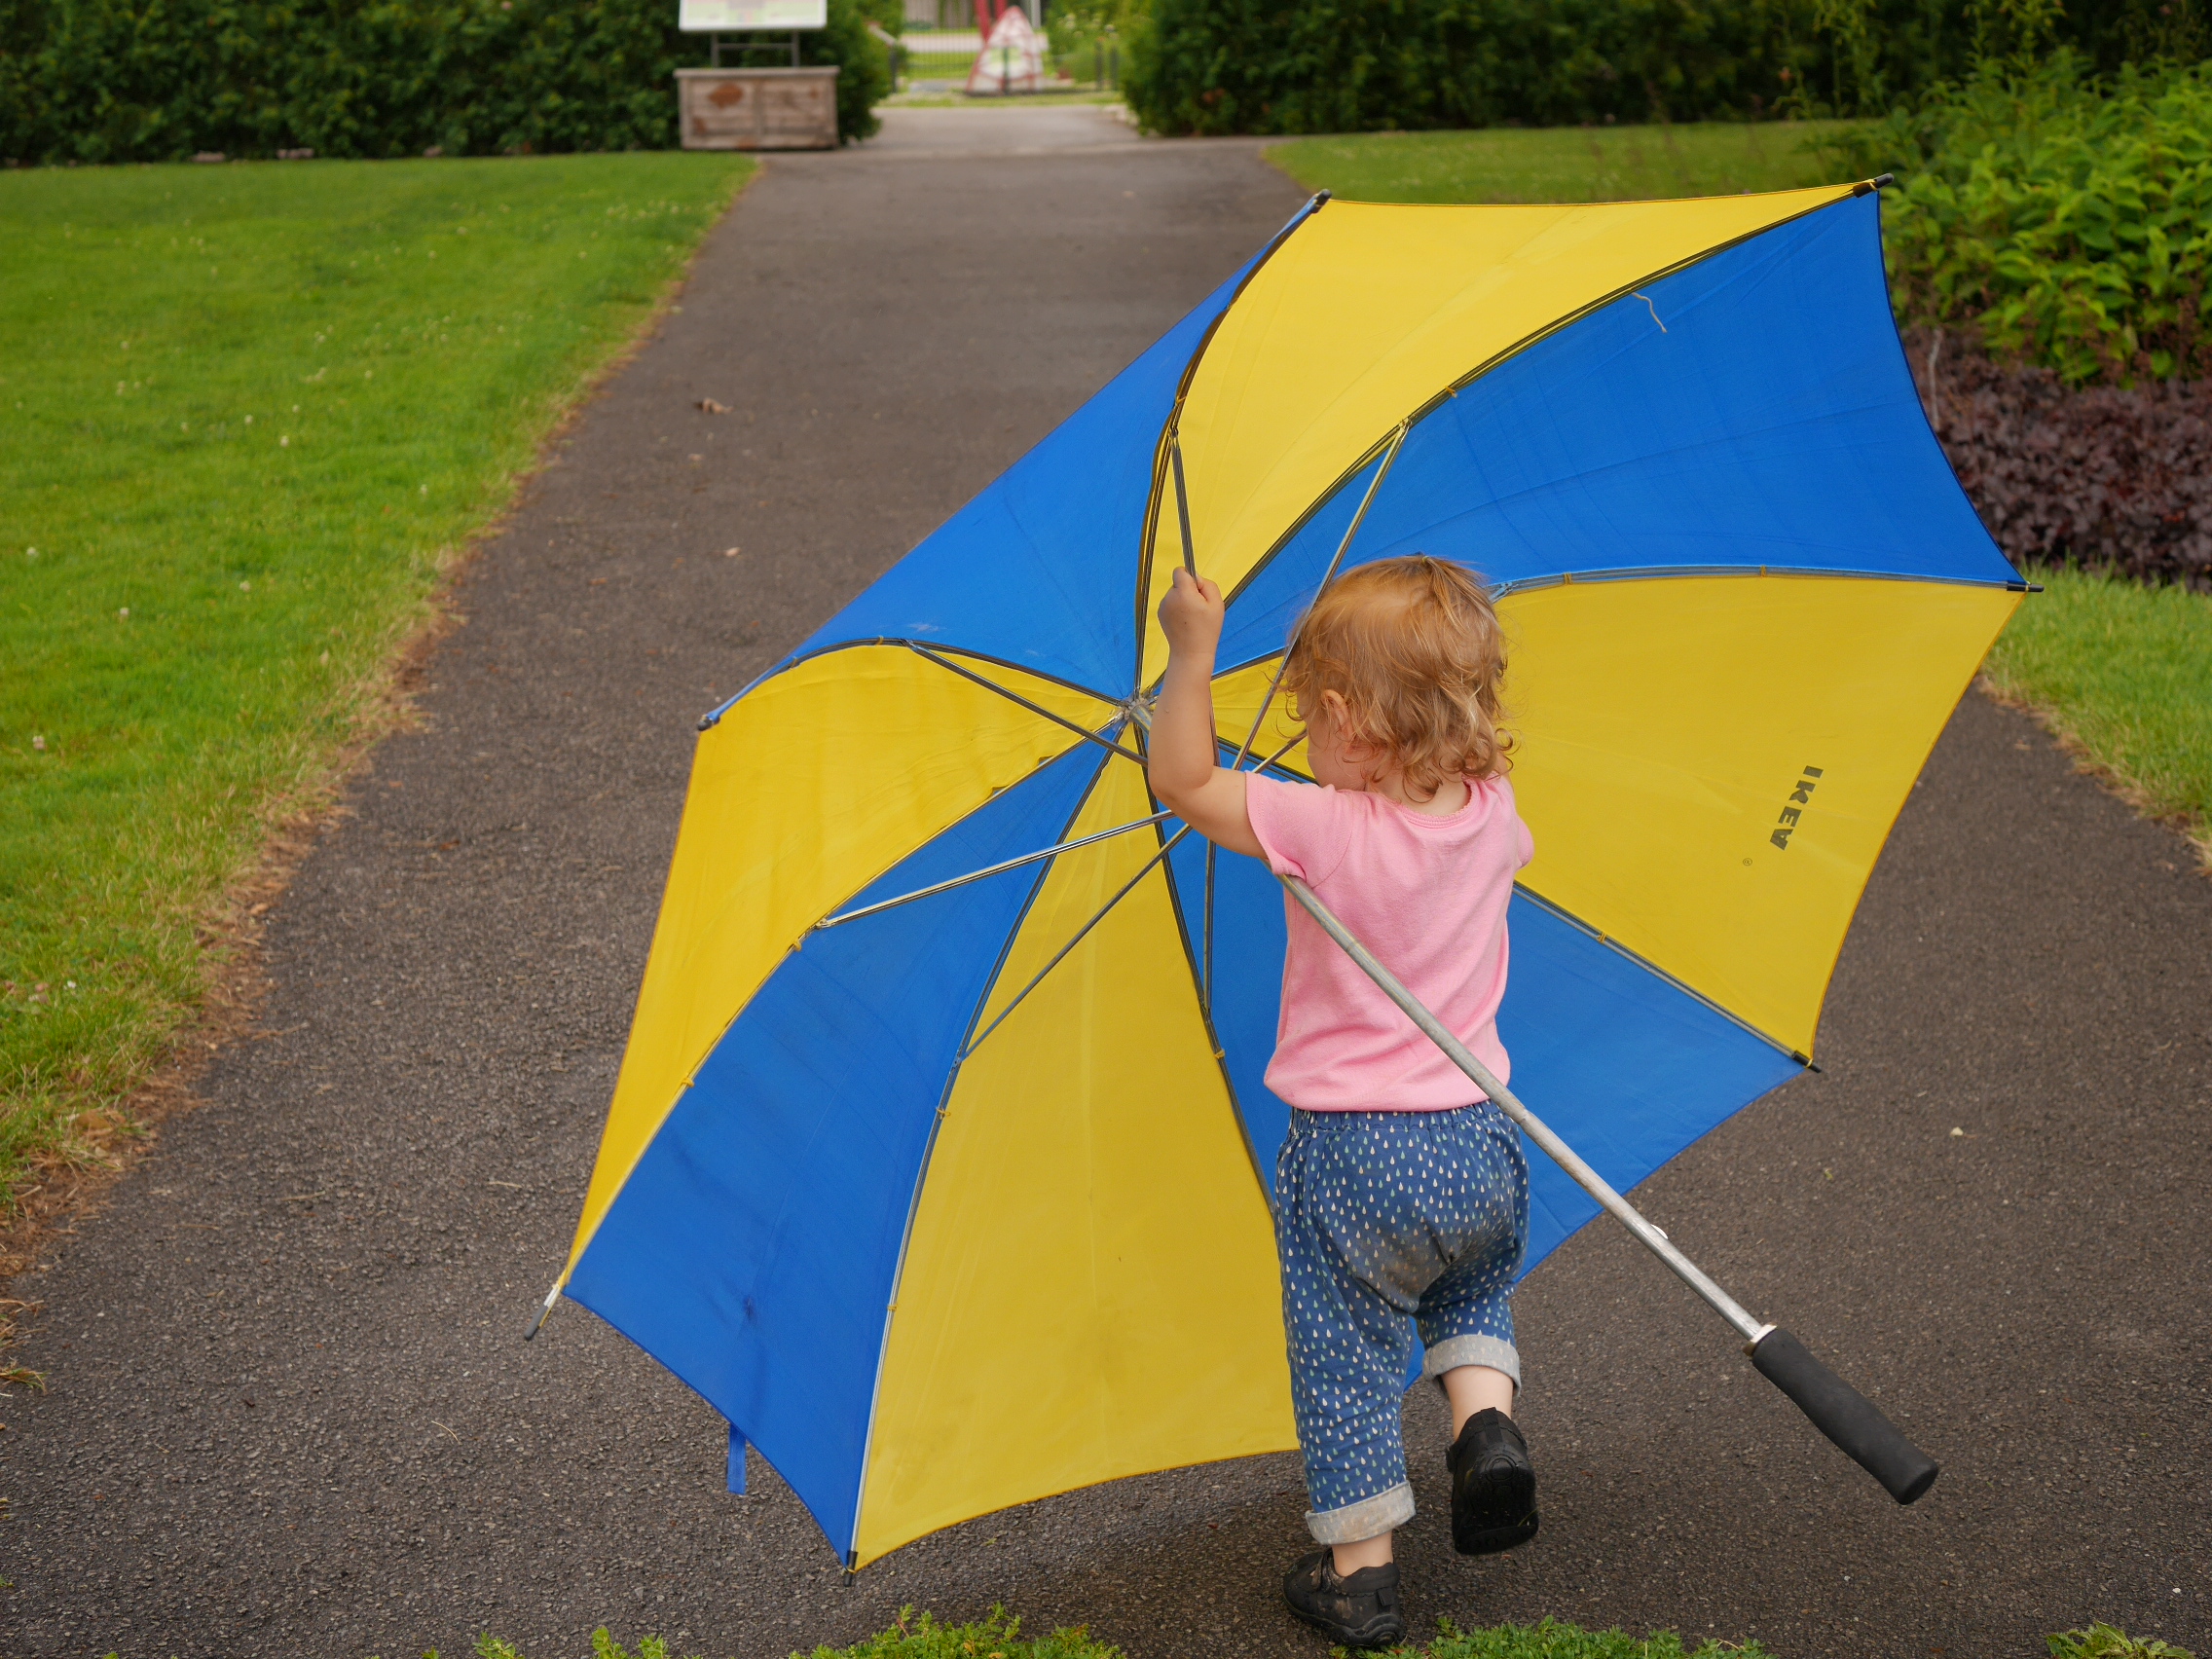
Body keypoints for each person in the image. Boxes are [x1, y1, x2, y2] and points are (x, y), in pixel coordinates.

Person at [1149, 554, 1540, 1650]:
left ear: (1347, 719)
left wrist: (1190, 657)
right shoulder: (1491, 812)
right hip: (1480, 1139)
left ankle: (1360, 1578)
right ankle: (1486, 1426)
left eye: (1308, 717)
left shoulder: (1324, 826)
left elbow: (1181, 779)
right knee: (1470, 1289)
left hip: (1357, 1156)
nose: (1302, 740)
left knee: (1344, 1359)